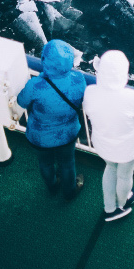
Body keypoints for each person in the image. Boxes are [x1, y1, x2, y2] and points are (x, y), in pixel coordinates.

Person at [83, 49, 134, 222]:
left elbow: (88, 110)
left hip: (102, 144)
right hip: (127, 148)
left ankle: (109, 208)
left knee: (110, 168)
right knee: (124, 176)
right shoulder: (129, 96)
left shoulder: (90, 91)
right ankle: (121, 203)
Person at [16, 39, 86, 201]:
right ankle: (69, 192)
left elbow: (21, 102)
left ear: (45, 61)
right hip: (68, 134)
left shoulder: (36, 85)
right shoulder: (78, 79)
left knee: (45, 163)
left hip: (39, 137)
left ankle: (53, 185)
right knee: (67, 163)